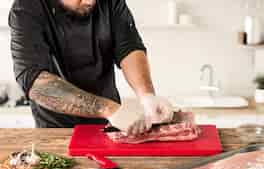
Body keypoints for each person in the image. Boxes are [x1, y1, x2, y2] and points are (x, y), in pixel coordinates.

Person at [9, 0, 174, 134]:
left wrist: (146, 95)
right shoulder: (26, 8)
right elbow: (36, 84)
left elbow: (129, 48)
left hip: (111, 126)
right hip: (56, 130)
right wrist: (109, 109)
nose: (91, 1)